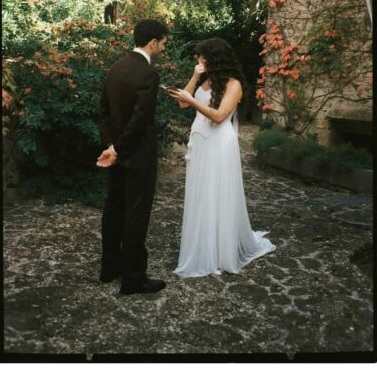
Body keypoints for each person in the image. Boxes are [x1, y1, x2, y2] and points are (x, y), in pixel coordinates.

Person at [168, 38, 276, 278]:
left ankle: (220, 251)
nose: (199, 59)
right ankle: (203, 243)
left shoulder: (234, 84)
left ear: (214, 58)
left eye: (202, 56)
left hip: (219, 143)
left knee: (217, 191)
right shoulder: (204, 80)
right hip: (200, 141)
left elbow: (219, 116)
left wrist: (193, 101)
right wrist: (194, 77)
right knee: (201, 192)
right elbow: (182, 103)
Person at [97, 19, 169, 295]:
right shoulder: (148, 74)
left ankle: (109, 268)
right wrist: (118, 149)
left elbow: (104, 111)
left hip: (116, 154)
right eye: (163, 43)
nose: (163, 48)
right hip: (138, 157)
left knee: (114, 209)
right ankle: (133, 278)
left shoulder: (116, 67)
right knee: (136, 215)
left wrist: (110, 146)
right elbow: (140, 119)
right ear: (152, 42)